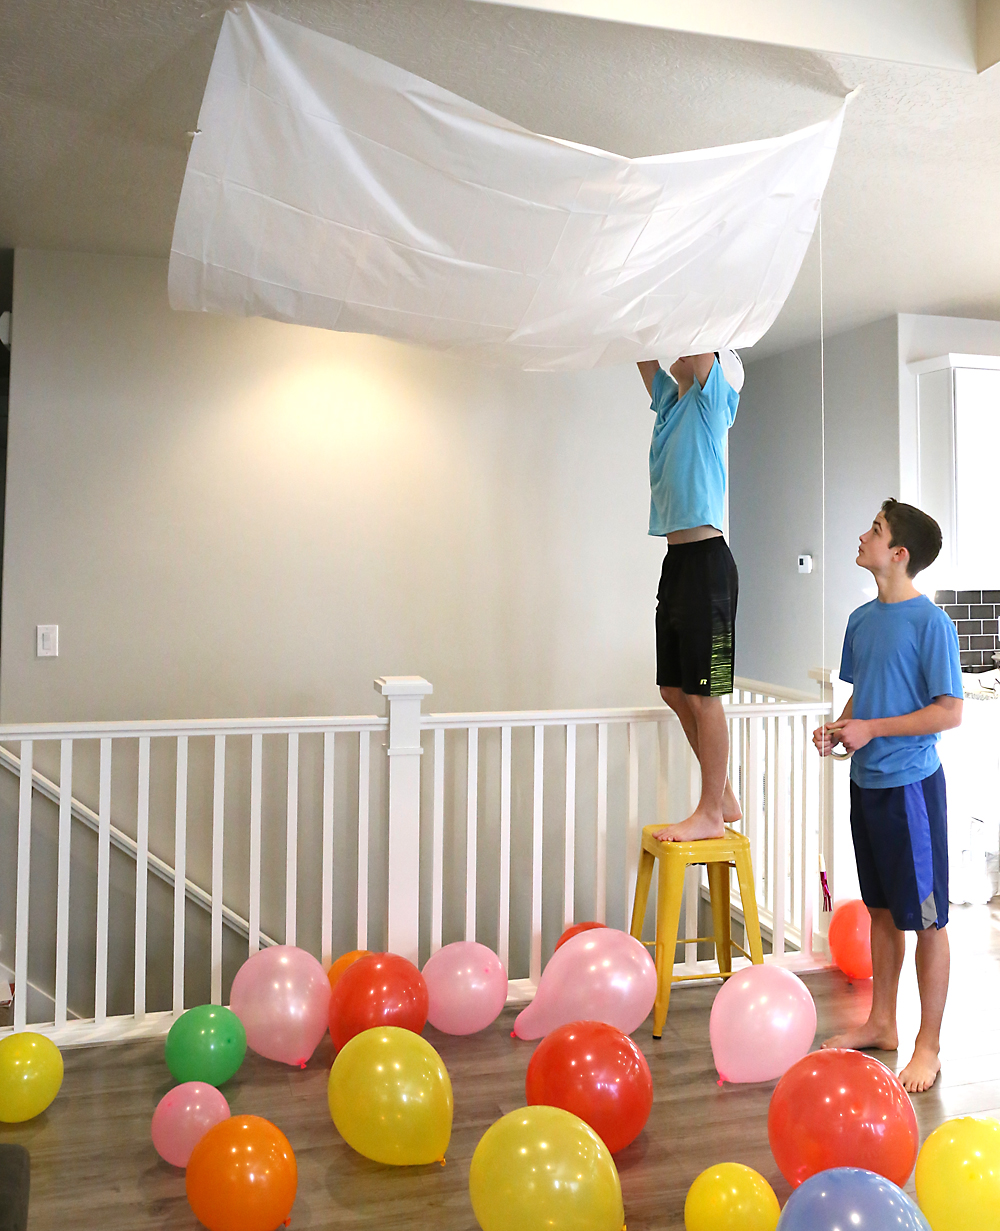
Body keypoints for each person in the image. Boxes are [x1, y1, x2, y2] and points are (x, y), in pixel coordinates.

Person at [813, 499, 962, 1093]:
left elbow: (948, 713)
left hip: (911, 790)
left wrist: (871, 730)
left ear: (898, 555)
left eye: (873, 530)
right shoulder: (860, 619)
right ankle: (882, 1023)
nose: (862, 535)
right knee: (880, 909)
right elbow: (867, 694)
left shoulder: (933, 625)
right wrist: (842, 727)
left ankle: (928, 1046)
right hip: (867, 783)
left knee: (926, 919)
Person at [637, 350, 744, 842]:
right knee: (674, 690)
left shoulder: (710, 402)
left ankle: (710, 812)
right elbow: (637, 347)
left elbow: (701, 341)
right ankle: (721, 793)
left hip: (710, 567)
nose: (674, 352)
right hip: (677, 563)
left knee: (706, 693)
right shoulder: (671, 403)